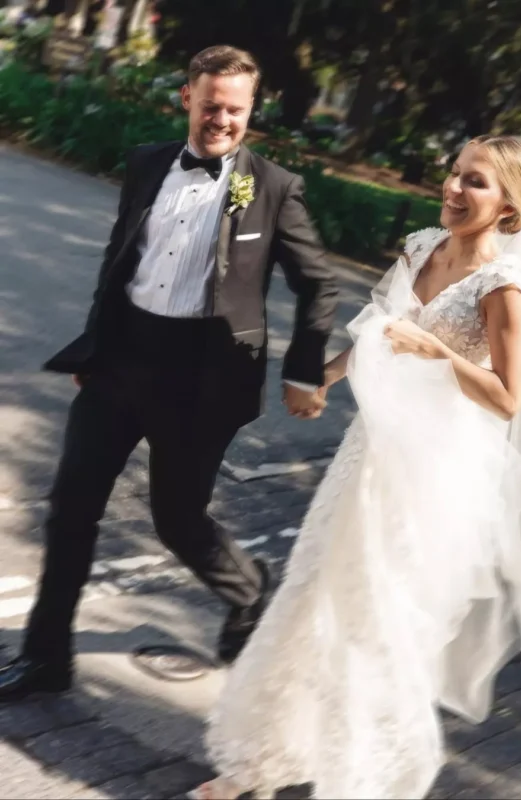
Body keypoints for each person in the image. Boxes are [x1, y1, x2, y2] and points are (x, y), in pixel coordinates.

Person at [189, 135, 521, 800]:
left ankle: (361, 783)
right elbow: (381, 327)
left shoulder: (507, 285)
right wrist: (326, 379)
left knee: (379, 624)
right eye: (454, 173)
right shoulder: (422, 245)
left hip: (435, 474)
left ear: (510, 205)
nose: (454, 188)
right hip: (368, 454)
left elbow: (509, 398)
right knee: (312, 593)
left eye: (475, 182)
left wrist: (439, 353)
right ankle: (256, 761)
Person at [0, 45, 337, 701]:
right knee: (71, 509)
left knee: (177, 520)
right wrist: (98, 344)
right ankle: (46, 658)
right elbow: (121, 257)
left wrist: (303, 371)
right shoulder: (149, 164)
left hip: (202, 382)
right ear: (187, 97)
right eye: (210, 106)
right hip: (121, 365)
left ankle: (249, 588)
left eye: (234, 111)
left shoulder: (265, 187)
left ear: (250, 111)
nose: (221, 121)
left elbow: (318, 284)